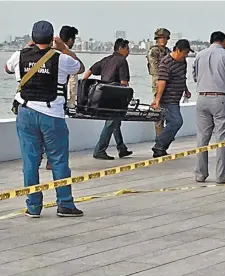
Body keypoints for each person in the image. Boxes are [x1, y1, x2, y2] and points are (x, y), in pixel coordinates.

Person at [4, 20, 85, 218]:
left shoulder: (19, 56)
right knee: (58, 160)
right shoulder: (61, 59)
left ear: (32, 38)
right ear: (51, 39)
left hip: (26, 113)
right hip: (52, 116)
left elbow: (7, 68)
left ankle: (33, 206)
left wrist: (27, 48)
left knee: (30, 161)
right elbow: (80, 68)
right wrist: (64, 47)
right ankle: (65, 203)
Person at [193, 31, 225, 184]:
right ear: (224, 41)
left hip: (201, 98)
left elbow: (195, 77)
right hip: (221, 98)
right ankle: (221, 176)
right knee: (222, 139)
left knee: (202, 138)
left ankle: (200, 174)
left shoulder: (199, 55)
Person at [83, 38, 133, 160]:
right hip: (115, 97)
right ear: (121, 48)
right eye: (127, 49)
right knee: (112, 122)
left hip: (103, 97)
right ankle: (99, 150)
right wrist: (126, 99)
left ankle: (122, 148)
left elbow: (89, 71)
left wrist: (84, 86)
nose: (129, 52)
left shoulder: (106, 60)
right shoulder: (122, 61)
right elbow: (124, 83)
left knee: (115, 122)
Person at [44, 25, 79, 171]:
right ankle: (52, 162)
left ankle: (43, 159)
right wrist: (71, 104)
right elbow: (73, 81)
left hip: (38, 98)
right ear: (70, 40)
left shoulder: (46, 51)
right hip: (56, 101)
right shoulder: (65, 57)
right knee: (56, 136)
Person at [151, 39, 192, 158]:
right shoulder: (166, 62)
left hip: (177, 98)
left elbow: (181, 77)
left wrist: (186, 89)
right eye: (184, 53)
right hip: (168, 99)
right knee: (176, 121)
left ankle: (161, 149)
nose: (186, 55)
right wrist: (157, 99)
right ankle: (159, 145)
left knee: (171, 122)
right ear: (177, 50)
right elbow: (161, 82)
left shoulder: (182, 62)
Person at [147, 28, 171, 137]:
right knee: (159, 111)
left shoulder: (167, 51)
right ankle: (159, 138)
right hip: (158, 83)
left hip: (169, 83)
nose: (163, 40)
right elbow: (155, 69)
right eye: (161, 38)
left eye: (165, 38)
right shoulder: (154, 51)